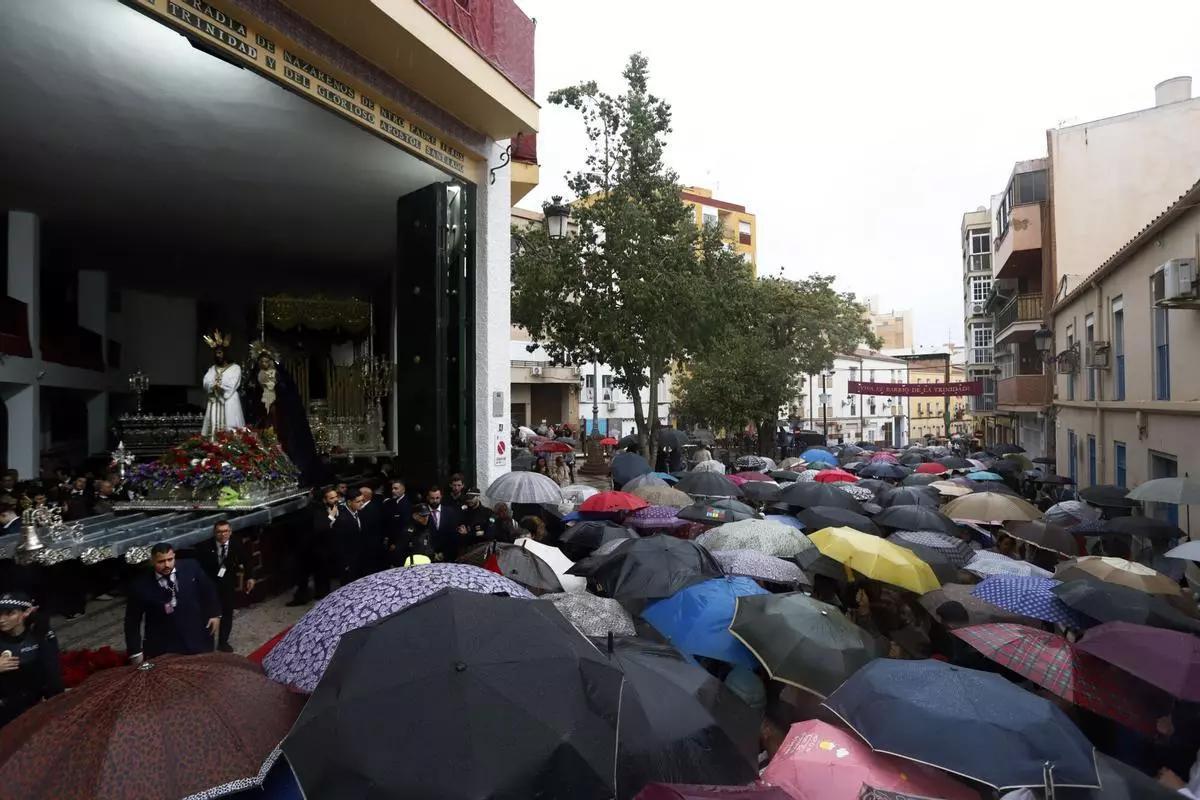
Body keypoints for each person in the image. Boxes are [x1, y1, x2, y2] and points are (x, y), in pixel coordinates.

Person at [124, 543, 220, 662]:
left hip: (196, 635)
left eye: (170, 560)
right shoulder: (140, 585)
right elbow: (132, 620)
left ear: (174, 556)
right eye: (161, 561)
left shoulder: (191, 566)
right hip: (164, 644)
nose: (167, 565)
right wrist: (135, 651)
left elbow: (208, 589)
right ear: (152, 561)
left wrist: (214, 613)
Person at [243, 343, 321, 485]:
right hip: (261, 411)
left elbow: (288, 394)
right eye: (261, 361)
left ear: (271, 361)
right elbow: (250, 396)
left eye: (267, 361)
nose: (264, 364)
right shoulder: (255, 376)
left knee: (280, 434)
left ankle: (283, 462)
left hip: (277, 411)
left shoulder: (279, 375)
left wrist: (277, 388)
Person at [0, 591, 62, 728]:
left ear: (26, 612)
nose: (1, 620)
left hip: (37, 699)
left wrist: (54, 700)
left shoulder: (39, 633)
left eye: (10, 613)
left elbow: (52, 671)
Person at [195, 521, 254, 653]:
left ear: (230, 532)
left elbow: (247, 560)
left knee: (227, 612)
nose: (223, 535)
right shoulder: (205, 547)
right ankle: (207, 642)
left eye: (226, 531)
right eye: (219, 532)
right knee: (209, 612)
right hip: (210, 583)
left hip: (228, 583)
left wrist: (250, 577)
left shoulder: (236, 543)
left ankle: (223, 642)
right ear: (214, 533)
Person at [200, 329, 244, 437]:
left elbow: (233, 383)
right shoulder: (212, 369)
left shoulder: (235, 368)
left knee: (230, 425)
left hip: (229, 400)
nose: (218, 355)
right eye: (216, 353)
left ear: (225, 353)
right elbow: (206, 381)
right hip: (215, 401)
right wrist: (212, 386)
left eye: (220, 352)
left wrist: (221, 387)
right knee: (213, 425)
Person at [426, 486, 464, 562]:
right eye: (432, 498)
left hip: (447, 556)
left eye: (437, 498)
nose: (435, 501)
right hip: (428, 557)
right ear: (428, 498)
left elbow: (453, 535)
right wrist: (432, 554)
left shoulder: (450, 512)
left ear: (441, 497)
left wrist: (444, 554)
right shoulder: (422, 512)